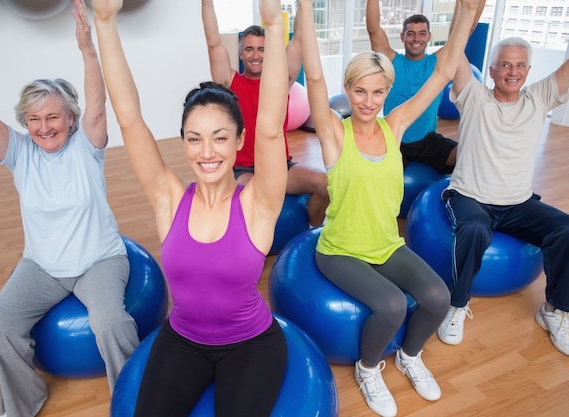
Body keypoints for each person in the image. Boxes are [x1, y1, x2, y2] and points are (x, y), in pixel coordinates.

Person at [90, 0, 289, 415]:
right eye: (194, 138)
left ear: (238, 141)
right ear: (182, 142)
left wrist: (274, 24)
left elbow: (270, 130)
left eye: (219, 137)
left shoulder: (258, 203)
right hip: (182, 340)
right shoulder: (169, 200)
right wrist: (105, 22)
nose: (206, 151)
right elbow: (129, 120)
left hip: (250, 344)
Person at [0, 1, 139, 416]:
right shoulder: (20, 152)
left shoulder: (87, 147)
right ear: (25, 121)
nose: (44, 127)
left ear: (71, 118)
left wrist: (88, 50)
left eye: (53, 117)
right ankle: (21, 404)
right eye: (34, 119)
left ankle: (132, 400)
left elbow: (99, 105)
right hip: (42, 266)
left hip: (98, 261)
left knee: (111, 323)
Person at [299, 0, 479, 415]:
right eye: (359, 91)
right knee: (393, 304)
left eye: (377, 91)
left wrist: (466, 12)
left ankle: (410, 356)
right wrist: (305, 8)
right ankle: (367, 368)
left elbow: (441, 73)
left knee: (437, 296)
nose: (368, 101)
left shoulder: (394, 125)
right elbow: (312, 73)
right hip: (341, 249)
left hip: (385, 244)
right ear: (348, 89)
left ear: (387, 91)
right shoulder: (332, 133)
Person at [436, 38, 569, 354]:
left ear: (529, 70)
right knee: (475, 229)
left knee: (566, 229)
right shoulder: (473, 96)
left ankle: (555, 310)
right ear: (492, 70)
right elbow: (455, 54)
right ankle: (456, 307)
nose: (513, 72)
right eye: (506, 65)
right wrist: (466, 11)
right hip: (470, 196)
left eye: (520, 65)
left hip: (518, 203)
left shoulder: (539, 98)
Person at [201, 0, 328, 227]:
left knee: (326, 184)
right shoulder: (230, 83)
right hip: (247, 168)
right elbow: (213, 43)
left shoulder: (282, 81)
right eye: (249, 49)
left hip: (282, 166)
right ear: (240, 53)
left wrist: (304, 4)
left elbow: (299, 38)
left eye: (262, 49)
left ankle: (312, 232)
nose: (256, 55)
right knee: (250, 204)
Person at [365, 0, 485, 174]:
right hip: (394, 138)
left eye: (422, 33)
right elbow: (373, 28)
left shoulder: (438, 63)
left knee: (469, 155)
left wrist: (472, 5)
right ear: (402, 37)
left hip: (428, 141)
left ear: (429, 37)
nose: (416, 39)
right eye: (411, 33)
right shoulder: (391, 62)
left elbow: (467, 29)